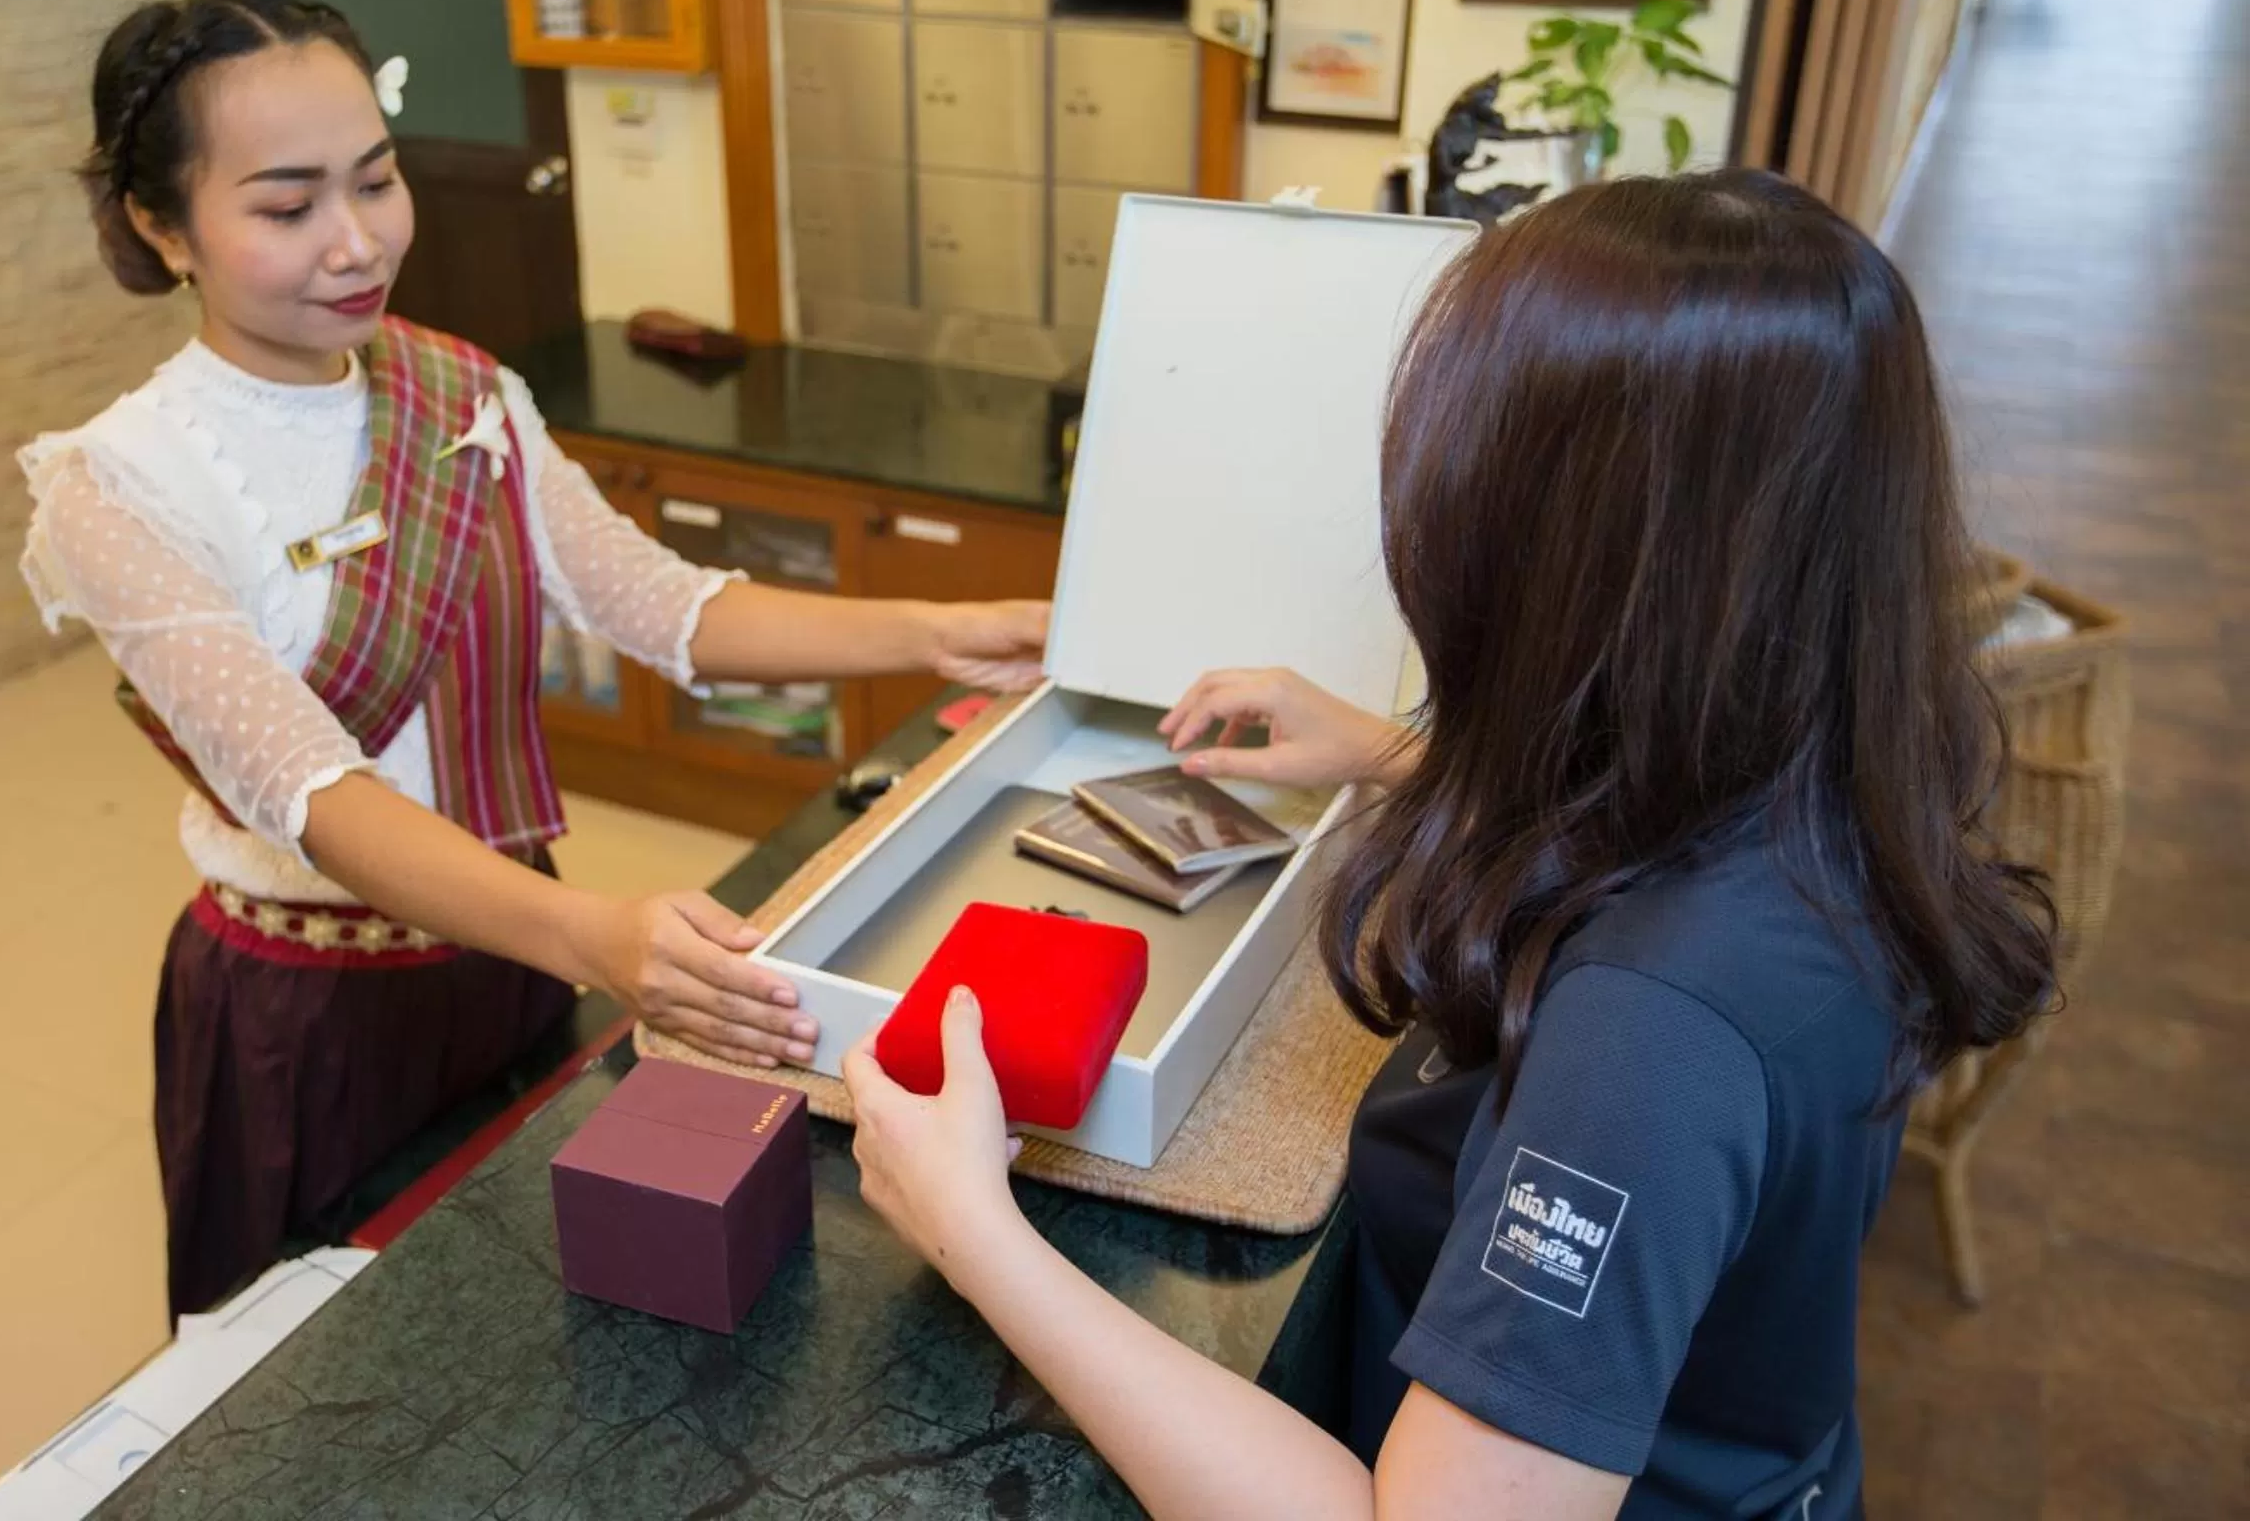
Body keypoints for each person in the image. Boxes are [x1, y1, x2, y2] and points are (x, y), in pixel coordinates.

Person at [843, 172, 2057, 1519]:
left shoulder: (1647, 1045)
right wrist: (1390, 749)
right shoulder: (1845, 781)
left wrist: (973, 1232)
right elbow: (1673, 830)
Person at [20, 0, 1047, 1316]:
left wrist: (932, 631)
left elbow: (663, 605)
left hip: (513, 952)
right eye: (286, 207)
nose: (355, 242)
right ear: (164, 229)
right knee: (341, 1360)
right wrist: (594, 938)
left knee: (528, 1307)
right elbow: (313, 796)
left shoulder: (462, 393)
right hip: (312, 1009)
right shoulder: (116, 487)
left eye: (376, 181)